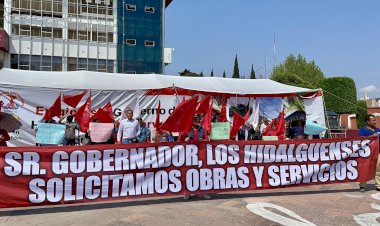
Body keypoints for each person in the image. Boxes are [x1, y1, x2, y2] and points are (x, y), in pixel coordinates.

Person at [359, 114, 380, 192]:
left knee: (378, 169)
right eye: (373, 120)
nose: (375, 122)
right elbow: (361, 140)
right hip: (367, 154)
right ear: (368, 121)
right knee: (365, 169)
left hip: (378, 153)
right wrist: (371, 136)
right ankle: (362, 186)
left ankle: (378, 185)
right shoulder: (362, 130)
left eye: (375, 120)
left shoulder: (378, 130)